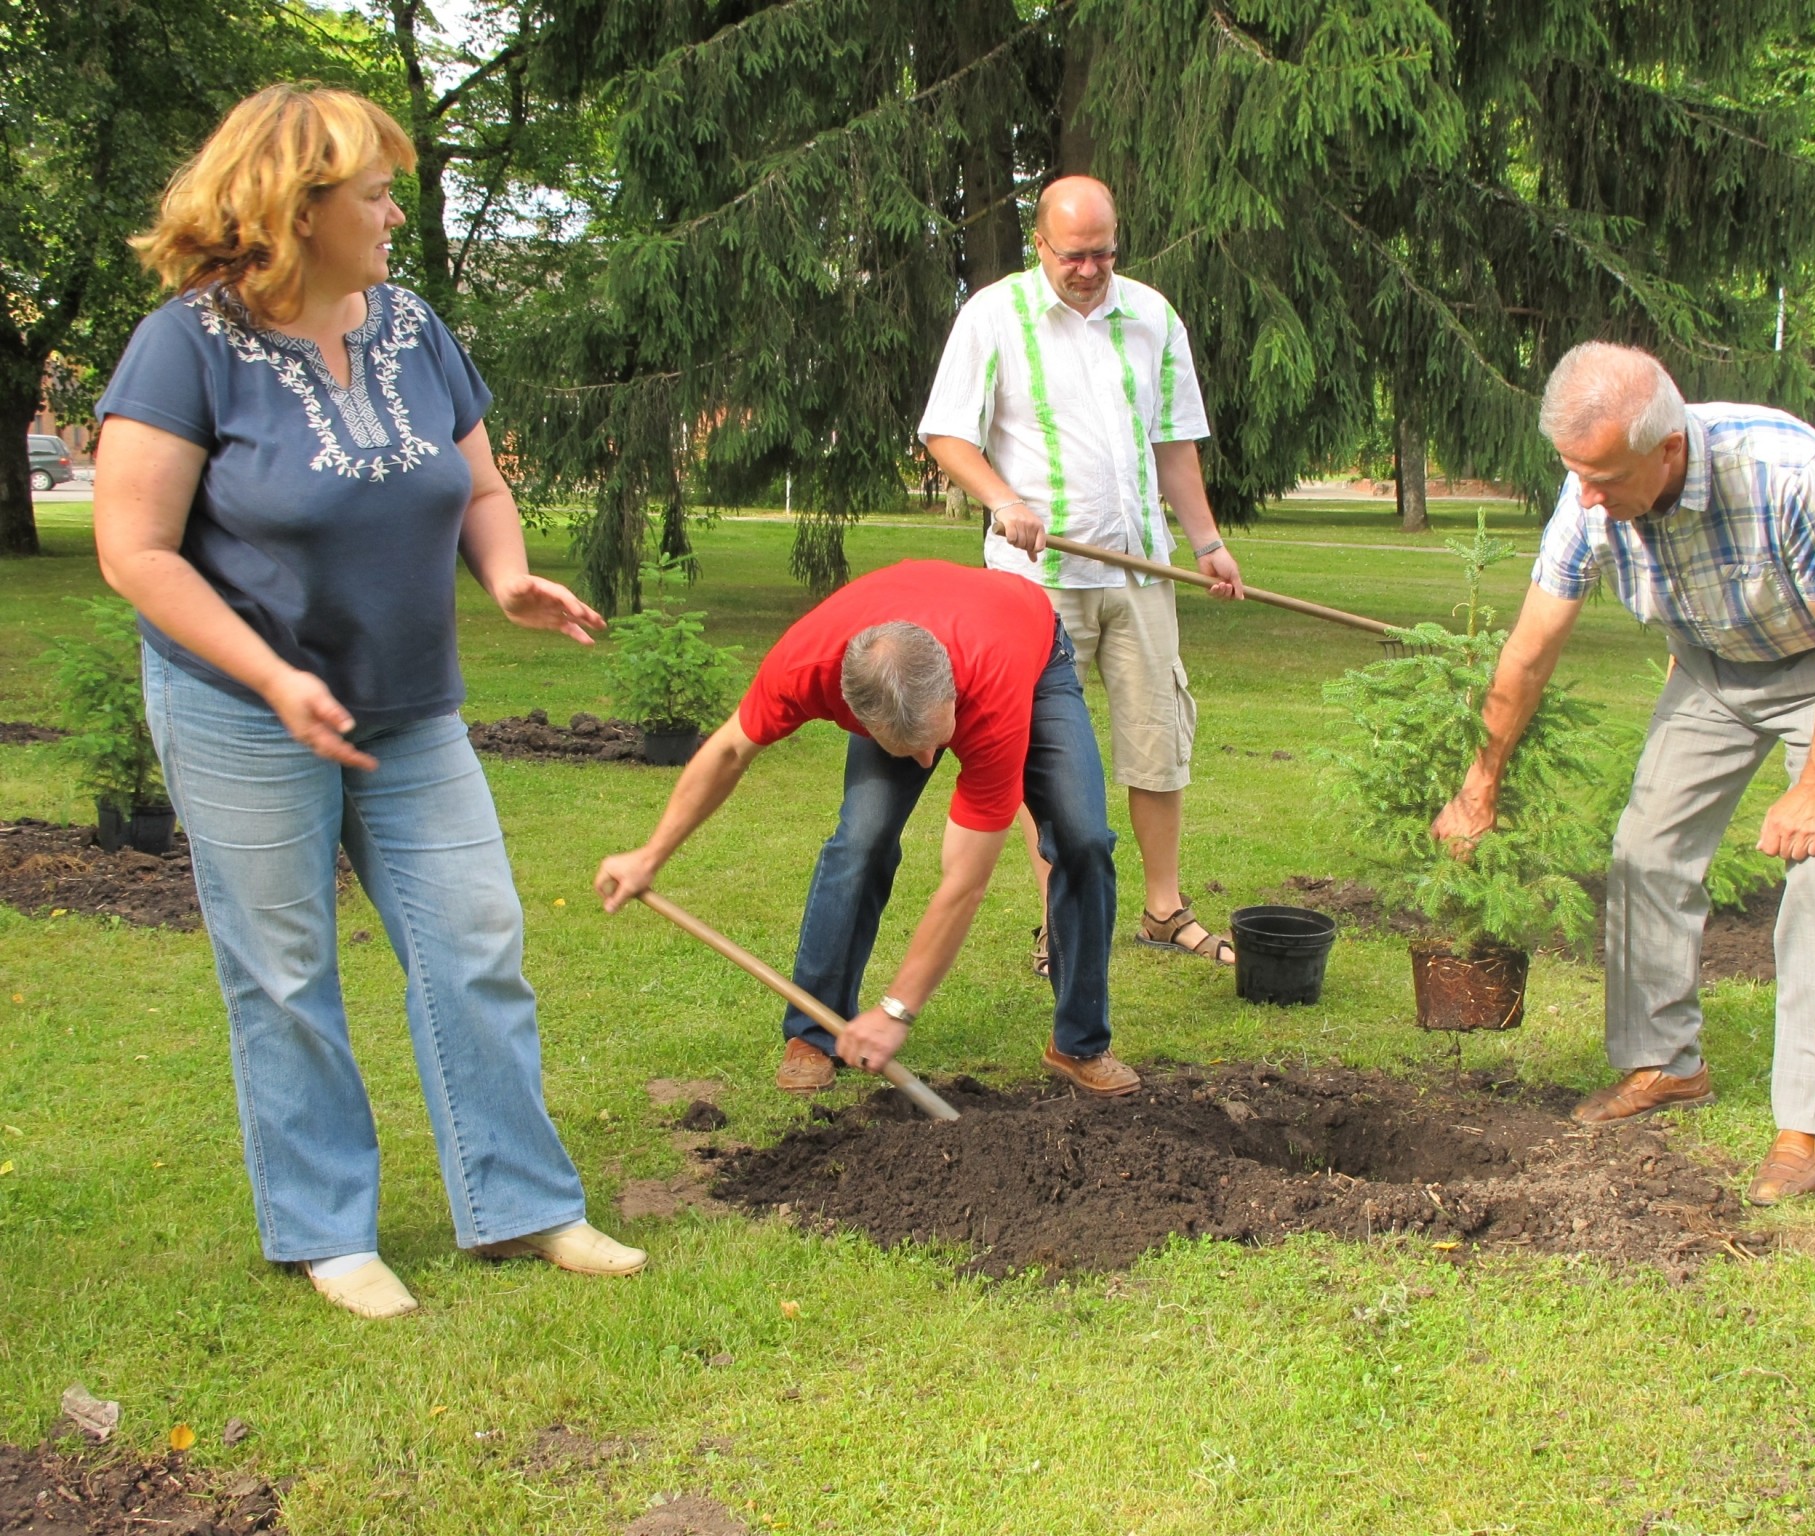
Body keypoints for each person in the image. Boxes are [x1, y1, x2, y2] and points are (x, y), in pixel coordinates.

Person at [93, 85, 644, 1321]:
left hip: (408, 706)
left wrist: (504, 576)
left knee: (477, 941)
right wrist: (270, 673)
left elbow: (479, 481)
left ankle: (521, 1205)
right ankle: (325, 1229)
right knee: (285, 970)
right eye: (377, 194)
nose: (397, 211)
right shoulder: (185, 345)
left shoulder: (409, 326)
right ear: (299, 209)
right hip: (245, 709)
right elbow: (136, 550)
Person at [1432, 342, 1815, 1206]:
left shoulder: (1785, 470)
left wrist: (1812, 789)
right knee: (1645, 850)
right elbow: (1531, 648)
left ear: (1669, 451)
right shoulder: (1592, 500)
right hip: (1715, 660)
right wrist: (1480, 782)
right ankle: (1664, 1065)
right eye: (1575, 473)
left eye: (1604, 476)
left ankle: (1809, 1121)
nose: (1587, 496)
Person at [593, 560, 1137, 1097]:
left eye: (936, 740)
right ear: (853, 713)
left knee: (1082, 837)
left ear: (952, 697)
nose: (929, 761)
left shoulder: (992, 694)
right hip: (906, 654)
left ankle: (1079, 1043)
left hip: (1028, 647)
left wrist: (898, 1009)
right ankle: (815, 1032)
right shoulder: (807, 667)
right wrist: (650, 855)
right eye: (909, 749)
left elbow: (964, 882)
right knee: (862, 840)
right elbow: (730, 750)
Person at [920, 176, 1246, 978]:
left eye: (1104, 252)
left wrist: (1204, 540)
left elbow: (1175, 442)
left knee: (1157, 737)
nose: (1091, 269)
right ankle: (1058, 922)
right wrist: (1002, 500)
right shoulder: (993, 316)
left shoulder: (1151, 317)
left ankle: (1164, 909)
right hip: (1036, 582)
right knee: (1047, 756)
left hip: (1139, 568)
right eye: (1075, 256)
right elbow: (946, 433)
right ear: (1041, 246)